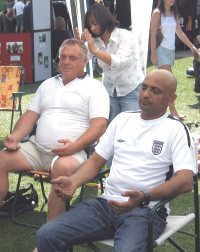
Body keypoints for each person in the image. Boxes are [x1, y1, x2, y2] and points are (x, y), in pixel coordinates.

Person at [35, 69, 196, 252]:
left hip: (145, 211)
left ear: (171, 98)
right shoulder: (122, 120)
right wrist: (73, 181)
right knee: (47, 234)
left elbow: (185, 181)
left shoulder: (175, 129)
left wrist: (144, 196)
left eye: (155, 91)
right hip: (105, 205)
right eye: (144, 88)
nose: (145, 94)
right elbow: (96, 161)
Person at [0, 39, 110, 221]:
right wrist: (15, 136)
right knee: (2, 158)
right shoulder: (47, 85)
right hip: (37, 149)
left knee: (62, 166)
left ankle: (49, 237)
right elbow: (29, 116)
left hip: (74, 153)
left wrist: (74, 147)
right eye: (63, 57)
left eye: (73, 58)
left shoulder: (95, 88)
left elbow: (99, 126)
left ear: (85, 60)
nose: (66, 61)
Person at [76, 3, 144, 122]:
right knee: (111, 128)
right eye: (90, 25)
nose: (92, 28)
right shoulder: (95, 41)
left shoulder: (125, 36)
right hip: (109, 91)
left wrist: (96, 51)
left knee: (130, 128)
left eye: (95, 23)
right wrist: (79, 44)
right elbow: (82, 60)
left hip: (131, 90)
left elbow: (120, 61)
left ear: (104, 19)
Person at [150, 0, 198, 120]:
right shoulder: (157, 13)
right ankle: (173, 111)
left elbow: (179, 32)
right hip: (161, 50)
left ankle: (156, 109)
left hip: (170, 51)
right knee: (170, 83)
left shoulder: (174, 13)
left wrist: (191, 46)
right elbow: (153, 34)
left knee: (163, 85)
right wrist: (153, 53)